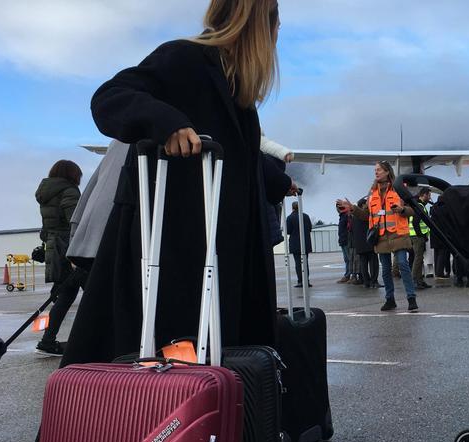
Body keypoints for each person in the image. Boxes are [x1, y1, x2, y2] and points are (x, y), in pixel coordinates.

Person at [60, 0, 295, 367]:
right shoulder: (185, 58)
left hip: (221, 257)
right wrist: (167, 122)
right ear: (257, 24)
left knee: (220, 368)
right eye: (277, 23)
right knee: (170, 369)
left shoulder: (238, 94)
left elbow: (240, 159)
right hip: (174, 255)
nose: (280, 33)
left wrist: (280, 182)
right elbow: (110, 97)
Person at [337, 161, 418, 312]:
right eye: (375, 170)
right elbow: (366, 215)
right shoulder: (372, 193)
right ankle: (390, 299)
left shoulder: (399, 189)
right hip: (380, 237)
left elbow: (413, 210)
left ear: (387, 172)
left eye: (379, 170)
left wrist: (402, 209)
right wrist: (353, 209)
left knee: (403, 264)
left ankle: (411, 298)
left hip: (398, 234)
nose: (376, 172)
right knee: (386, 269)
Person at [34, 160, 86, 356]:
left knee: (65, 296)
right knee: (95, 293)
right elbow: (76, 223)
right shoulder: (70, 191)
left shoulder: (46, 193)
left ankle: (47, 341)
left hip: (55, 250)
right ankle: (96, 339)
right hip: (71, 251)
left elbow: (46, 228)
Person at [351, 197, 380, 288]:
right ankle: (374, 281)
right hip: (369, 243)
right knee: (373, 263)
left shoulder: (354, 217)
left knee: (363, 264)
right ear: (363, 205)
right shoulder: (366, 215)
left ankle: (366, 282)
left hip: (359, 244)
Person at [409, 187, 432, 289]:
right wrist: (421, 235)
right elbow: (415, 222)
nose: (430, 198)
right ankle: (414, 281)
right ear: (424, 195)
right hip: (418, 236)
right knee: (418, 259)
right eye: (429, 195)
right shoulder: (419, 206)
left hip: (417, 236)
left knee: (419, 258)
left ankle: (419, 281)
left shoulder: (419, 205)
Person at [286, 201, 313, 288]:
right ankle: (306, 281)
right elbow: (309, 228)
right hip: (306, 243)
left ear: (292, 208)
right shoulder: (306, 216)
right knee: (305, 262)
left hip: (295, 244)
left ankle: (300, 281)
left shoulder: (290, 218)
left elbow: (288, 231)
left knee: (298, 263)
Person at [336, 205, 352, 283]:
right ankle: (348, 274)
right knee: (347, 259)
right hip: (343, 240)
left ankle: (348, 275)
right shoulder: (342, 216)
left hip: (346, 240)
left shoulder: (345, 216)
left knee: (348, 259)